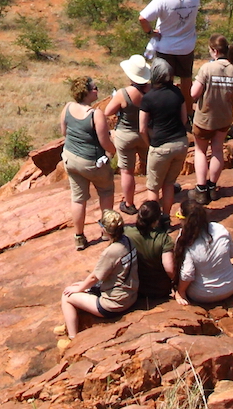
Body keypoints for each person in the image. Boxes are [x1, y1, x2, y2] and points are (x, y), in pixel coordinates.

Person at [190, 35, 233, 203]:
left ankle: (201, 190)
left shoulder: (207, 68)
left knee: (200, 151)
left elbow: (194, 94)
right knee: (217, 150)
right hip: (224, 118)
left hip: (205, 118)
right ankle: (213, 188)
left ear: (214, 51)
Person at [60, 208, 138, 343]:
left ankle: (72, 339)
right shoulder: (128, 241)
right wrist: (81, 286)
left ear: (105, 230)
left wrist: (79, 289)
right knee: (77, 286)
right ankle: (70, 323)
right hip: (131, 294)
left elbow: (94, 277)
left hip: (113, 304)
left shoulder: (111, 252)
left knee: (67, 296)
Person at [60, 74, 117, 251]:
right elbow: (105, 142)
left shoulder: (68, 108)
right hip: (92, 162)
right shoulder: (96, 114)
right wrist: (112, 151)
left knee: (78, 199)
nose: (97, 90)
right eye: (94, 88)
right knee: (106, 191)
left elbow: (64, 132)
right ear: (86, 93)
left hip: (71, 159)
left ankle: (79, 237)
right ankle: (107, 231)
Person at [104, 53, 164, 216]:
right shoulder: (152, 91)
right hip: (147, 134)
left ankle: (129, 203)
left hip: (125, 135)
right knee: (153, 167)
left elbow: (108, 112)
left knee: (127, 171)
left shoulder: (123, 93)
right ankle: (157, 197)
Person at [138, 0, 203, 83]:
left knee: (165, 81)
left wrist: (150, 32)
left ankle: (170, 101)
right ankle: (188, 102)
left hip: (165, 47)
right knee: (186, 79)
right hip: (186, 47)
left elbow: (143, 18)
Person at [171, 194, 233, 306]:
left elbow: (187, 274)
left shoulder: (187, 240)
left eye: (178, 215)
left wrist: (180, 292)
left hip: (201, 294)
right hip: (229, 288)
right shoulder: (220, 229)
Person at [138, 68, 190, 208]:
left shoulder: (148, 98)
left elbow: (142, 129)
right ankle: (166, 218)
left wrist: (149, 145)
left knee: (153, 187)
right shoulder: (177, 92)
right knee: (169, 184)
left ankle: (153, 221)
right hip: (180, 143)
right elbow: (184, 119)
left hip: (160, 146)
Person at [124, 197, 177, 301]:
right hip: (159, 290)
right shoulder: (163, 239)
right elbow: (170, 269)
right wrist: (177, 285)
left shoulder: (126, 233)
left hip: (135, 287)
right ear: (157, 220)